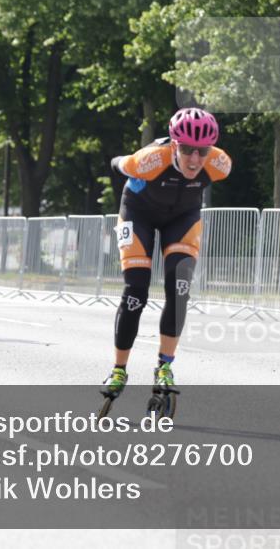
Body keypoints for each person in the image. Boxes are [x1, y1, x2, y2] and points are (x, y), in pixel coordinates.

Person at [101, 107, 232, 405]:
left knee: (179, 289)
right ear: (174, 145)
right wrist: (130, 162)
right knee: (136, 290)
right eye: (187, 150)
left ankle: (165, 367)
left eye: (202, 150)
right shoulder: (148, 161)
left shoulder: (220, 164)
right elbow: (115, 162)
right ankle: (119, 369)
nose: (195, 159)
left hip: (182, 218)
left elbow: (207, 162)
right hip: (138, 213)